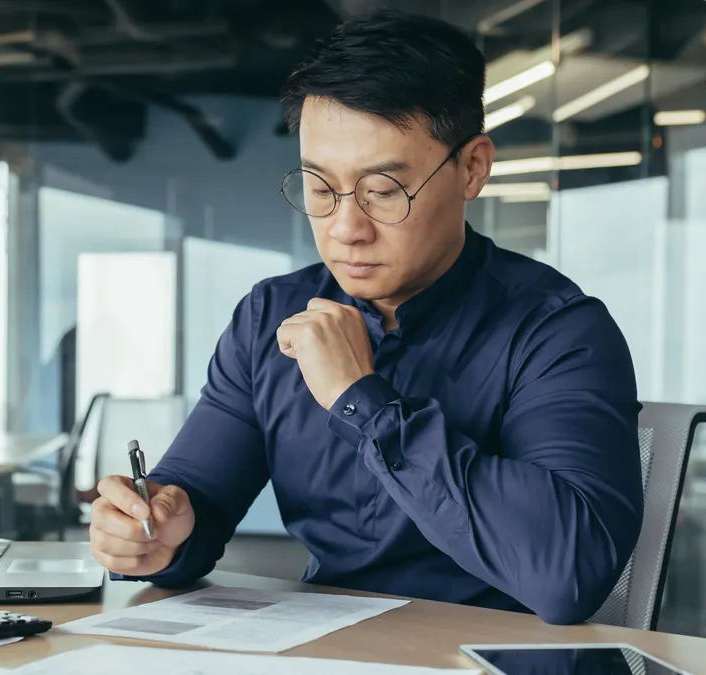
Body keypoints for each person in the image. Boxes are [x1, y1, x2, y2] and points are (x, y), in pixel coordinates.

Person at [89, 9, 643, 626]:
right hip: (325, 650)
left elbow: (570, 574)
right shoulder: (271, 319)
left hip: (492, 658)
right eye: (319, 189)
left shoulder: (558, 332)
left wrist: (361, 400)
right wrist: (153, 534)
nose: (346, 228)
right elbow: (196, 496)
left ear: (473, 168)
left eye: (382, 191)